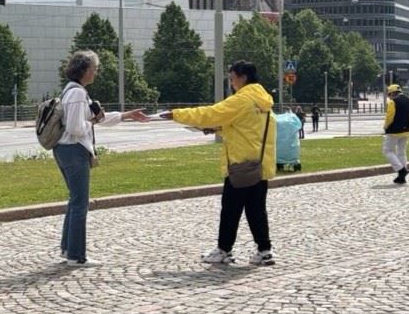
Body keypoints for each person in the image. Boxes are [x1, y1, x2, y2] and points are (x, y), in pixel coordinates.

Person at [159, 60, 277, 267]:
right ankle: (264, 250)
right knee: (257, 210)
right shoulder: (264, 102)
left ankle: (224, 250)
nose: (231, 83)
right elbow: (248, 129)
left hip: (240, 165)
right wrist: (220, 129)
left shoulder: (242, 99)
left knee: (230, 209)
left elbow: (210, 113)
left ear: (243, 78)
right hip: (260, 165)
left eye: (232, 79)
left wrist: (176, 114)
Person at [53, 50, 149, 266]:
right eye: (94, 69)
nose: (96, 73)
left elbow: (97, 119)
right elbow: (76, 128)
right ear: (85, 70)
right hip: (74, 150)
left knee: (75, 200)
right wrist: (93, 122)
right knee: (80, 203)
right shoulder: (77, 94)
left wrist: (125, 115)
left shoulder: (72, 90)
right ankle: (76, 256)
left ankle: (68, 249)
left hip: (65, 149)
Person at [383, 84, 409, 184]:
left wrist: (386, 126)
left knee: (388, 150)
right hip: (406, 131)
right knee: (402, 151)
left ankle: (401, 170)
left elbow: (390, 116)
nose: (389, 97)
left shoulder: (393, 102)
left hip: (394, 131)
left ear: (393, 93)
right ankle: (402, 177)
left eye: (389, 95)